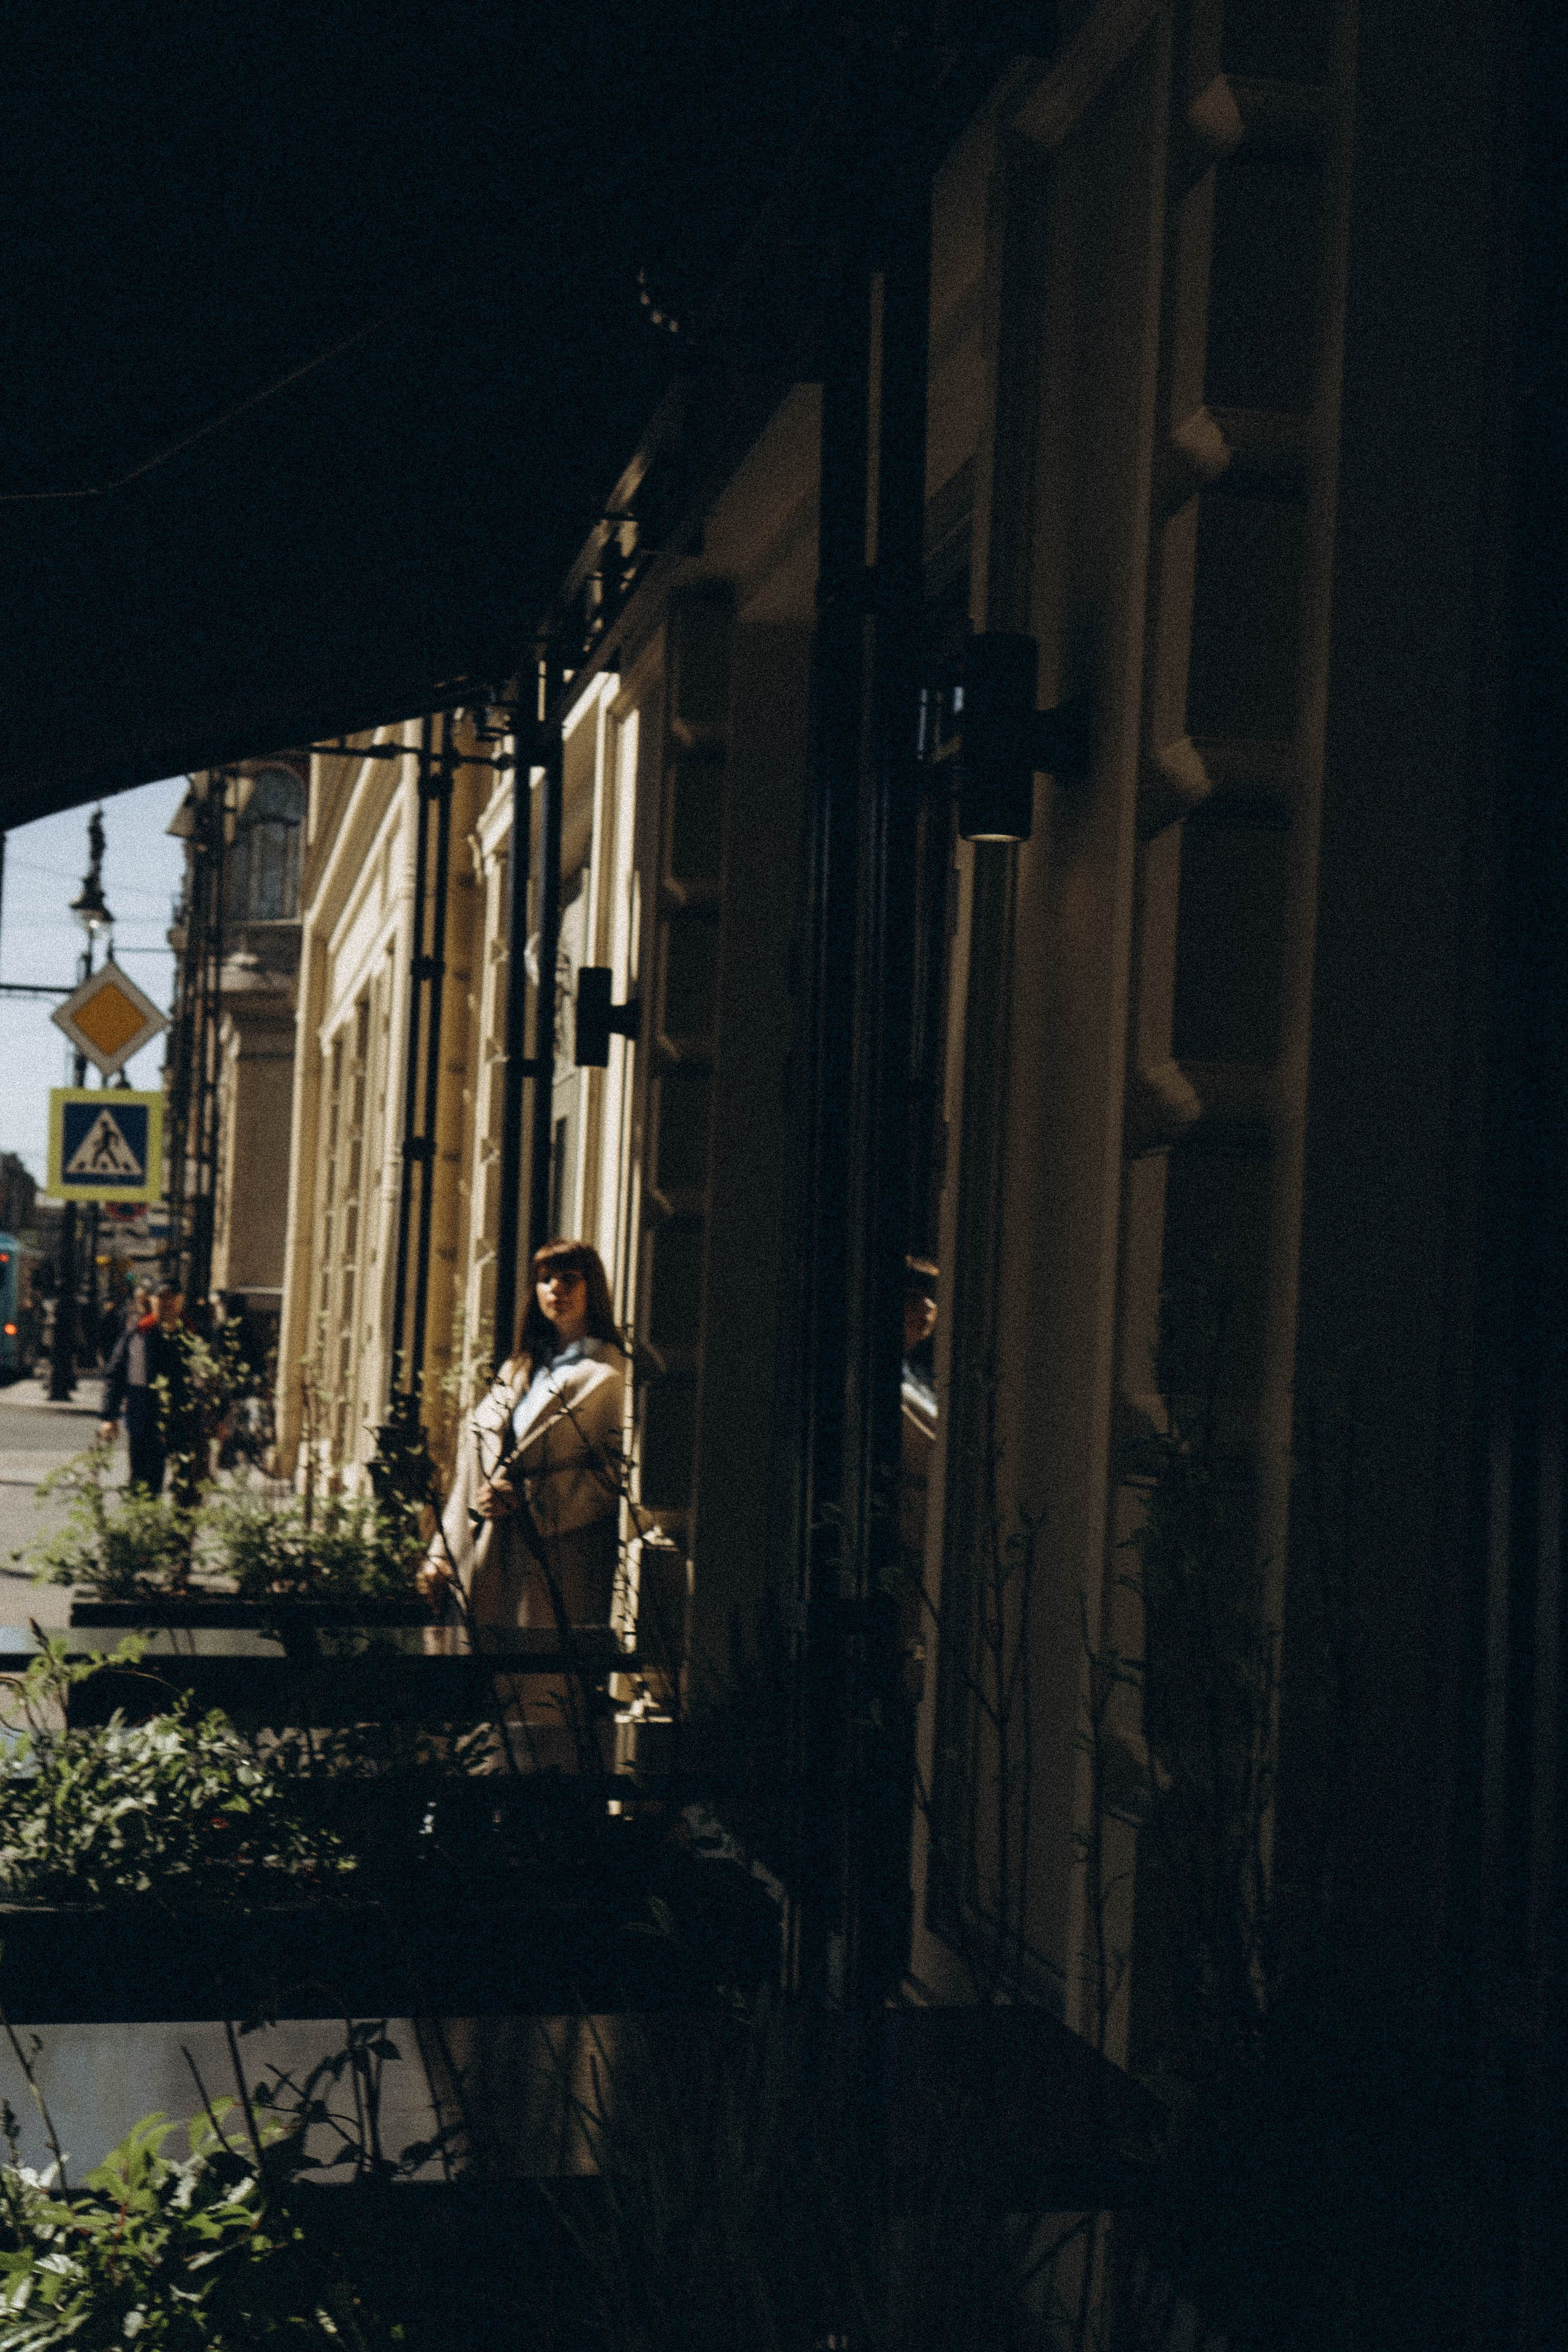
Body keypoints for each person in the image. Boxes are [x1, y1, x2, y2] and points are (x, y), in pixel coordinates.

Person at [423, 1239, 627, 1763]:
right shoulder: (519, 1370)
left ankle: (535, 1818)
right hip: (489, 1560)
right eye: (545, 1279)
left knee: (544, 1701)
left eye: (569, 1279)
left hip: (555, 1564)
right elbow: (472, 1467)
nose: (555, 1290)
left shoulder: (608, 1376)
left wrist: (531, 1496)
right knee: (485, 1694)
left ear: (592, 1289)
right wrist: (440, 1554)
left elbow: (613, 1481)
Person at [98, 1281, 193, 1498]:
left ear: (180, 1301)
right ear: (152, 1301)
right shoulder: (138, 1335)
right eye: (161, 1299)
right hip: (145, 1415)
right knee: (143, 1484)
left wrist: (219, 1418)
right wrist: (109, 1416)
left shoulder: (193, 1335)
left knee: (187, 1488)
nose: (166, 1304)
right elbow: (116, 1375)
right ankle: (142, 1524)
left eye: (171, 1299)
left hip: (185, 1419)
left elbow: (212, 1378)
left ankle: (180, 1530)